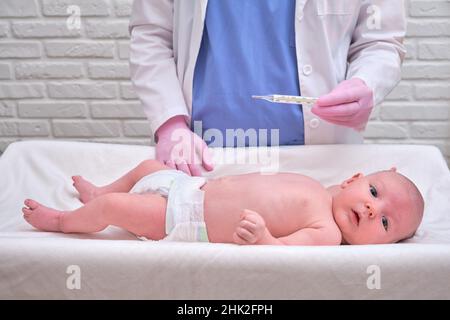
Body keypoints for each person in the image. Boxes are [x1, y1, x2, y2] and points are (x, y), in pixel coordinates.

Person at [129, 1, 406, 176]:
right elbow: (151, 35)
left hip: (320, 159)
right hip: (200, 157)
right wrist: (170, 123)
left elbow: (379, 42)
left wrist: (366, 83)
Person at [22, 160, 424, 245]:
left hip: (185, 217)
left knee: (115, 214)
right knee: (148, 165)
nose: (373, 210)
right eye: (374, 192)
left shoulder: (328, 233)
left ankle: (64, 221)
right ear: (354, 178)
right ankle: (102, 191)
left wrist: (264, 237)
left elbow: (283, 252)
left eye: (386, 224)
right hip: (191, 185)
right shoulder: (328, 190)